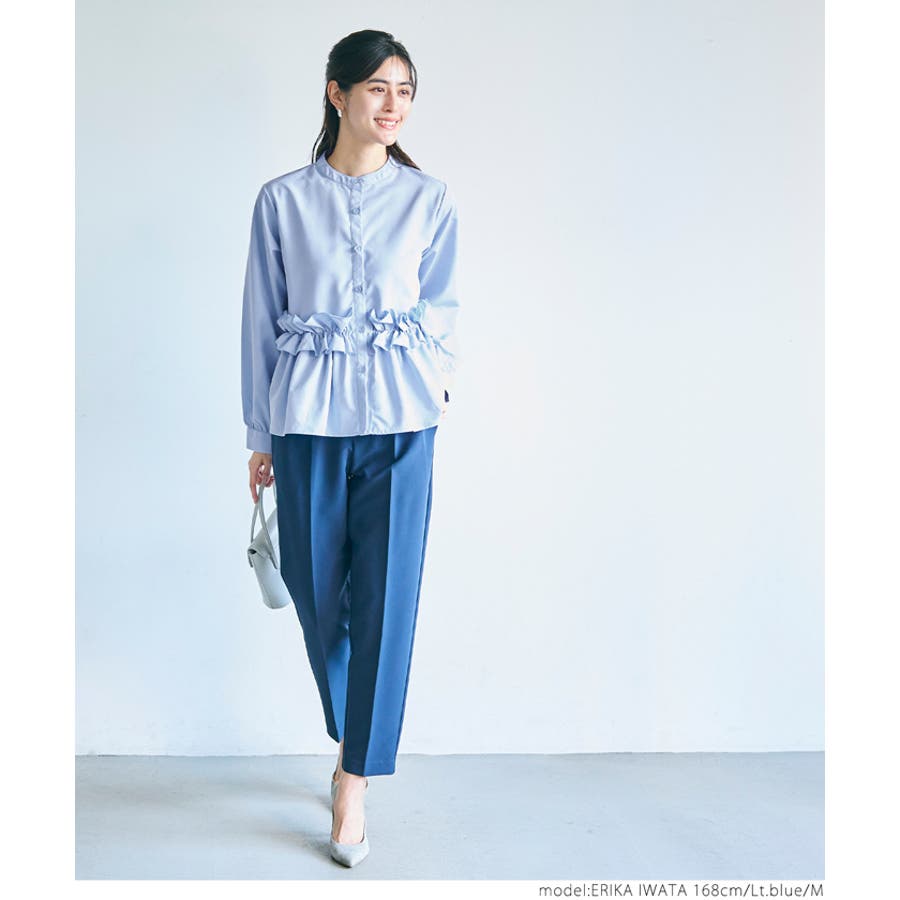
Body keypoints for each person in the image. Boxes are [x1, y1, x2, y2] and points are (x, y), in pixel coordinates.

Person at [240, 29, 460, 867]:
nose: (393, 104)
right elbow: (260, 320)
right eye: (377, 88)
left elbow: (443, 305)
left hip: (404, 425)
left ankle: (355, 777)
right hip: (306, 423)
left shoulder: (430, 199)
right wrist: (259, 435)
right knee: (312, 585)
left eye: (405, 90)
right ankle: (352, 726)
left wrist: (436, 381)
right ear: (336, 93)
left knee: (387, 602)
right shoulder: (282, 201)